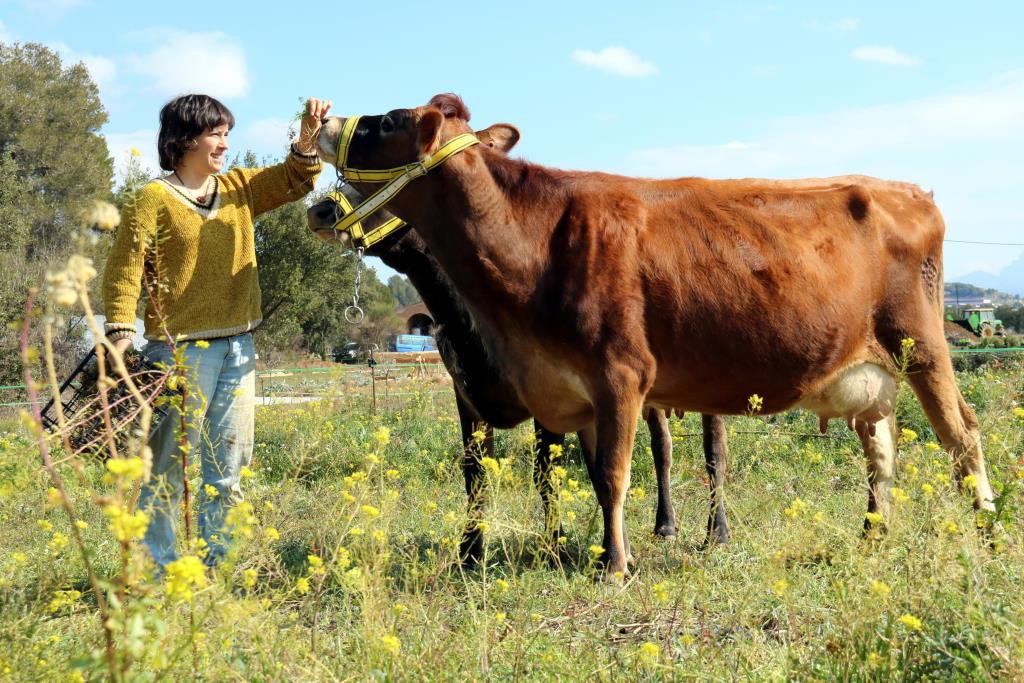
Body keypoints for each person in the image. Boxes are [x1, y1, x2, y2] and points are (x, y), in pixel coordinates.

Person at [102, 94, 331, 569]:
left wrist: (309, 135)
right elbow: (124, 269)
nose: (225, 144)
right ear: (184, 139)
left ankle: (216, 566)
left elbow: (294, 180)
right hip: (178, 353)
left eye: (228, 133)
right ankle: (160, 571)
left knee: (228, 467)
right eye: (217, 134)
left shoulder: (239, 188)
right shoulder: (152, 199)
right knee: (164, 467)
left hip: (239, 348)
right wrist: (121, 332)